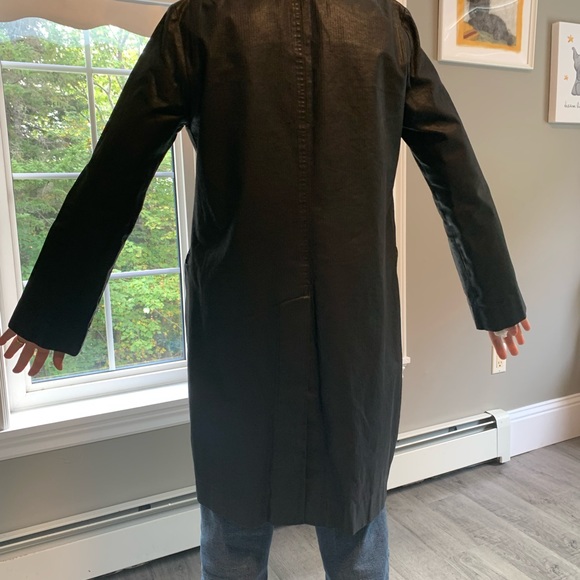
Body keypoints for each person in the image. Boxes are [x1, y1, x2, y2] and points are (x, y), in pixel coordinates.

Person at [0, 0, 529, 578]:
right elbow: (455, 167)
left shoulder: (200, 19)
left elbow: (119, 165)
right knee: (352, 508)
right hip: (355, 316)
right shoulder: (385, 23)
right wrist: (496, 295)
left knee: (238, 513)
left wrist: (52, 306)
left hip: (239, 317)